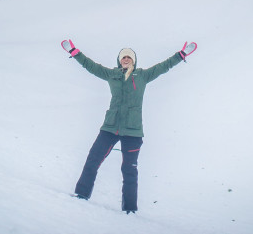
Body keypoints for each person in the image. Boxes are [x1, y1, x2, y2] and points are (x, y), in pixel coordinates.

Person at [61, 39, 197, 214]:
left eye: (129, 57)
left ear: (133, 60)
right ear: (119, 60)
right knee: (93, 160)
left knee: (129, 171)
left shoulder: (142, 75)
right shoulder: (112, 74)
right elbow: (91, 66)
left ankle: (130, 210)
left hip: (133, 131)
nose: (126, 59)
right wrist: (74, 52)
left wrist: (181, 54)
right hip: (110, 127)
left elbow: (164, 66)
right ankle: (81, 195)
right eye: (123, 57)